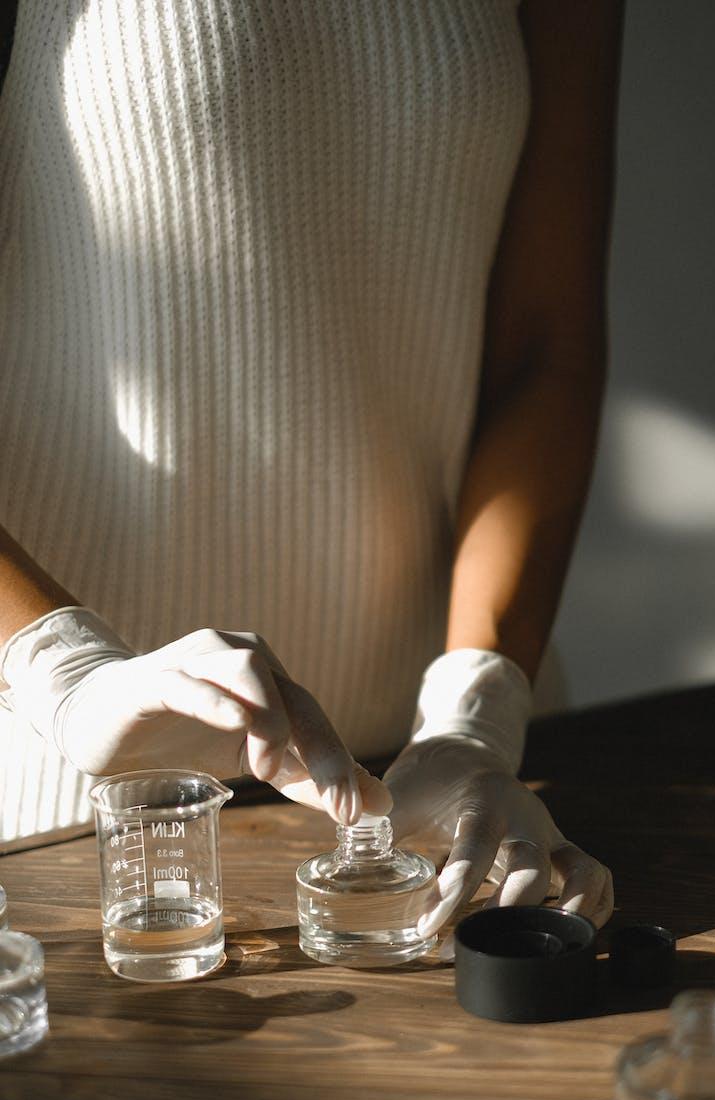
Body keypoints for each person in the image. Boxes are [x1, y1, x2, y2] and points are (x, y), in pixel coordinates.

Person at [0, 0, 618, 943]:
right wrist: (67, 673)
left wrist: (477, 716)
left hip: (458, 798)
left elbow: (544, 349)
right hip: (72, 818)